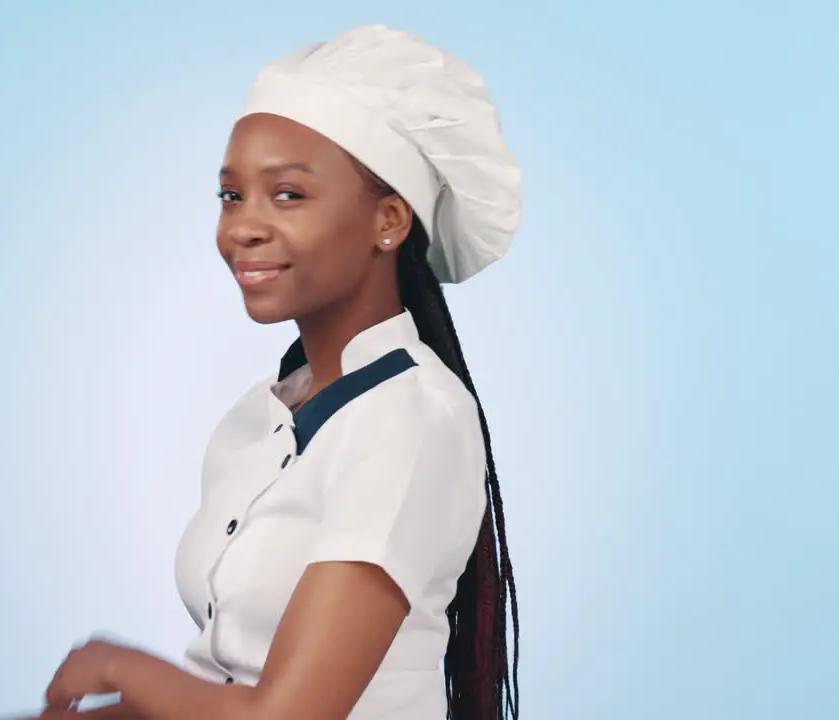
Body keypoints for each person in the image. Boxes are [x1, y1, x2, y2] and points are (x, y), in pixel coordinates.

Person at [35, 24, 522, 720]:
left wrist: (118, 666)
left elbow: (285, 716)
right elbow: (221, 693)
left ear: (389, 220)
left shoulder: (411, 418)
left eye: (287, 194)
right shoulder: (257, 420)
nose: (243, 228)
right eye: (231, 196)